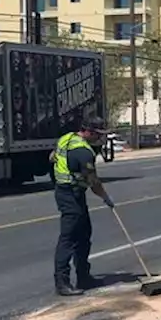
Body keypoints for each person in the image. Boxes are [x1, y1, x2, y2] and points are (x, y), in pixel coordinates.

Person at [50, 117, 115, 296]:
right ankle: (62, 282)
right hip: (69, 195)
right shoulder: (84, 152)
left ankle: (84, 276)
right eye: (98, 135)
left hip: (69, 192)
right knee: (69, 237)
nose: (99, 138)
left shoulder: (66, 138)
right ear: (89, 132)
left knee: (84, 233)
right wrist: (106, 198)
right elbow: (93, 182)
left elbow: (52, 157)